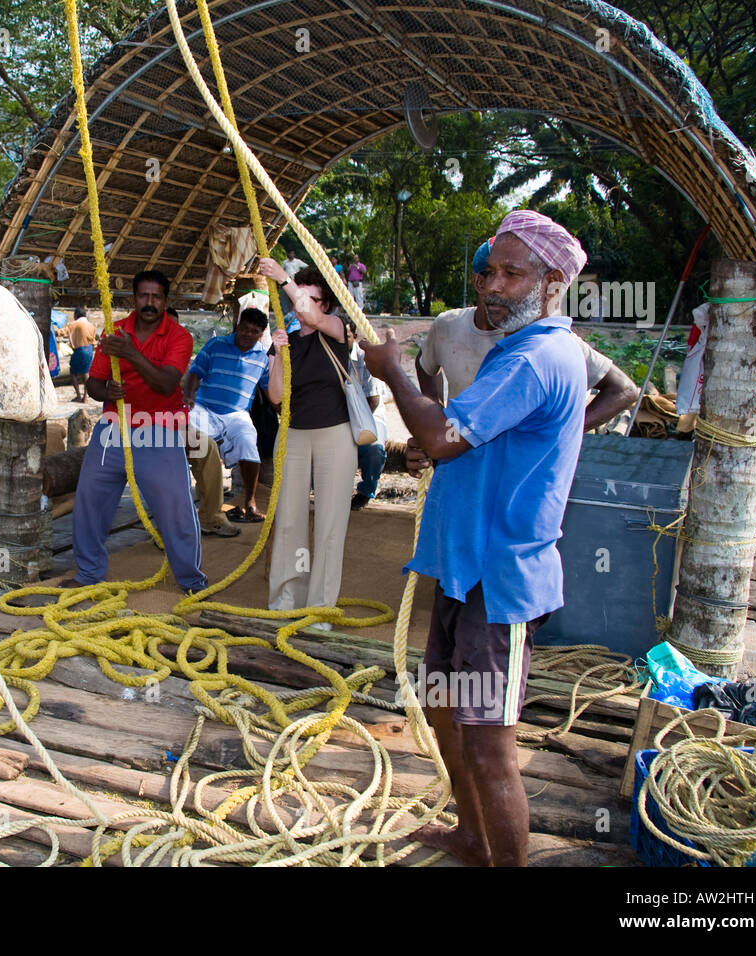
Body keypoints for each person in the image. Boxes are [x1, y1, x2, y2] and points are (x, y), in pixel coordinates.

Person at [361, 209, 591, 867]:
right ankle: (470, 834)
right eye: (489, 270)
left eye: (511, 274)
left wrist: (395, 373)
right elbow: (457, 440)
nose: (491, 285)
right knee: (443, 709)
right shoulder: (516, 351)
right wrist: (431, 442)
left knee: (491, 746)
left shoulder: (540, 357)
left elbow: (443, 437)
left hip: (500, 582)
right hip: (463, 567)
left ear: (551, 285)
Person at [63, 271, 206, 593]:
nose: (150, 303)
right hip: (115, 425)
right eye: (144, 296)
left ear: (166, 302)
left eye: (157, 297)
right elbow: (94, 385)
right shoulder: (115, 333)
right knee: (89, 499)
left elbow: (167, 384)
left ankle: (191, 579)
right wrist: (107, 391)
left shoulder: (180, 337)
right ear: (134, 299)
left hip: (160, 427)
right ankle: (88, 572)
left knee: (175, 506)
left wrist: (129, 353)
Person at [417, 238, 638, 430]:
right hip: (457, 455)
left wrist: (561, 432)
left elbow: (624, 389)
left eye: (512, 274)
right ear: (479, 282)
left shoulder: (543, 342)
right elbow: (425, 363)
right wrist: (434, 413)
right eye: (494, 273)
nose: (500, 286)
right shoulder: (448, 325)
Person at [256, 257, 356, 619]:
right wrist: (279, 353)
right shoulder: (286, 339)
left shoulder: (338, 330)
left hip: (335, 435)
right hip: (294, 435)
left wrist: (283, 277)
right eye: (301, 299)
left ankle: (320, 608)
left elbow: (312, 319)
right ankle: (286, 599)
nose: (303, 308)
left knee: (330, 524)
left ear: (325, 305)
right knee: (289, 520)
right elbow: (277, 397)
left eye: (312, 299)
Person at [183, 307, 271, 529]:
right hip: (204, 407)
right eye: (245, 328)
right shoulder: (216, 345)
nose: (248, 334)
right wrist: (188, 396)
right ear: (237, 326)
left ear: (261, 334)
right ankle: (183, 501)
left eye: (254, 331)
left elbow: (273, 390)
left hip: (237, 414)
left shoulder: (263, 357)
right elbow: (195, 372)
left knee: (248, 442)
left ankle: (250, 502)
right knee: (188, 438)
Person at [348, 337, 388, 510]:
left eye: (346, 335)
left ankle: (366, 490)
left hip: (368, 416)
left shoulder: (365, 358)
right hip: (339, 415)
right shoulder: (324, 354)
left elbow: (373, 400)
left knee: (374, 449)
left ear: (353, 336)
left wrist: (352, 427)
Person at [64, 306, 97, 403]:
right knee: (86, 373)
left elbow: (63, 332)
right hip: (89, 349)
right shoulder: (91, 325)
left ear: (76, 315)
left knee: (73, 373)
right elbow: (94, 340)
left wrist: (54, 331)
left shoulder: (74, 324)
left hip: (80, 350)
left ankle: (78, 395)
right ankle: (86, 397)